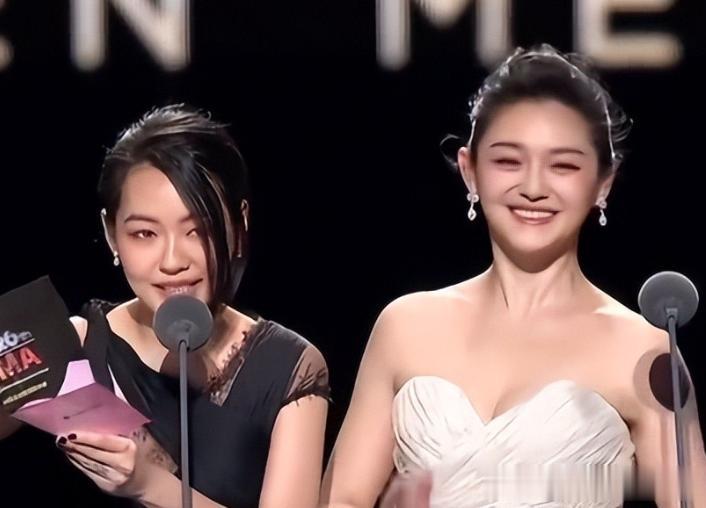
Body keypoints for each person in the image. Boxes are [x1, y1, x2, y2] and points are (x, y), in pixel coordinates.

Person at [319, 44, 706, 507]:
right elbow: (342, 499)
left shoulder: (645, 352)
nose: (534, 187)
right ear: (470, 171)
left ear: (603, 182)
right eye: (508, 161)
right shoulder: (405, 326)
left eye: (563, 165)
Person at [1, 104, 330, 508]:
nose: (172, 260)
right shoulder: (72, 346)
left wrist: (149, 484)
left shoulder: (289, 366)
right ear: (111, 234)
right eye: (144, 233)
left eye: (198, 230)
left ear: (239, 223)